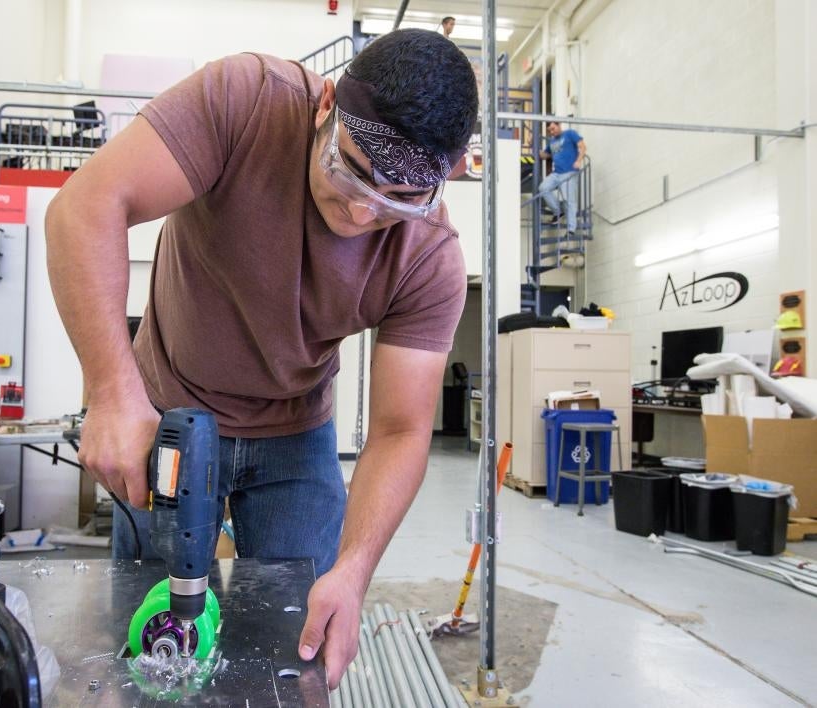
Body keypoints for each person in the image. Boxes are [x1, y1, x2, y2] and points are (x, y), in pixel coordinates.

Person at [45, 29, 478, 689]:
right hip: (170, 411)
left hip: (297, 436)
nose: (362, 210)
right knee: (150, 640)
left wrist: (355, 573)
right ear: (325, 104)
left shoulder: (429, 256)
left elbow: (400, 429)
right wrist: (111, 394)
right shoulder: (244, 102)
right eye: (351, 168)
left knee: (292, 645)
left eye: (396, 201)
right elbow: (84, 207)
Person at [538, 121, 586, 236]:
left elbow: (582, 146)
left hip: (569, 172)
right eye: (550, 130)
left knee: (568, 200)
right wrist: (532, 145)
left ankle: (571, 229)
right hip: (556, 173)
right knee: (543, 188)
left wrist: (578, 161)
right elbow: (544, 155)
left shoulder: (570, 134)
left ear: (559, 125)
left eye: (553, 128)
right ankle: (558, 211)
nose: (552, 132)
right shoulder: (552, 141)